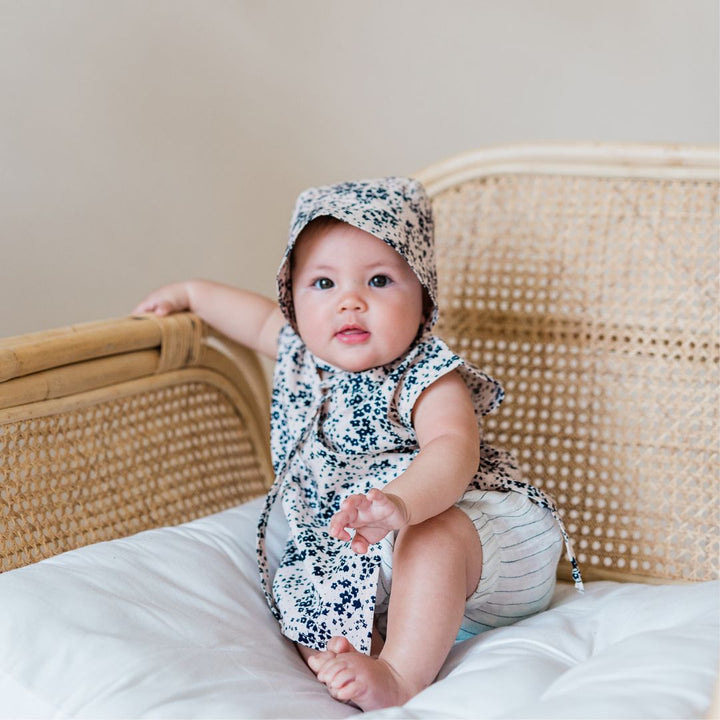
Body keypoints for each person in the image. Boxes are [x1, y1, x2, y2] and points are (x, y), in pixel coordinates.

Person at [134, 177, 582, 711]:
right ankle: (357, 651)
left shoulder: (427, 373)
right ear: (293, 300)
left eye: (378, 281)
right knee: (302, 582)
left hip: (482, 548)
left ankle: (401, 672)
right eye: (323, 284)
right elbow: (250, 316)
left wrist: (402, 502)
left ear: (422, 302)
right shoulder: (301, 352)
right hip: (367, 546)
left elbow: (453, 450)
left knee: (430, 536)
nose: (349, 301)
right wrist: (190, 295)